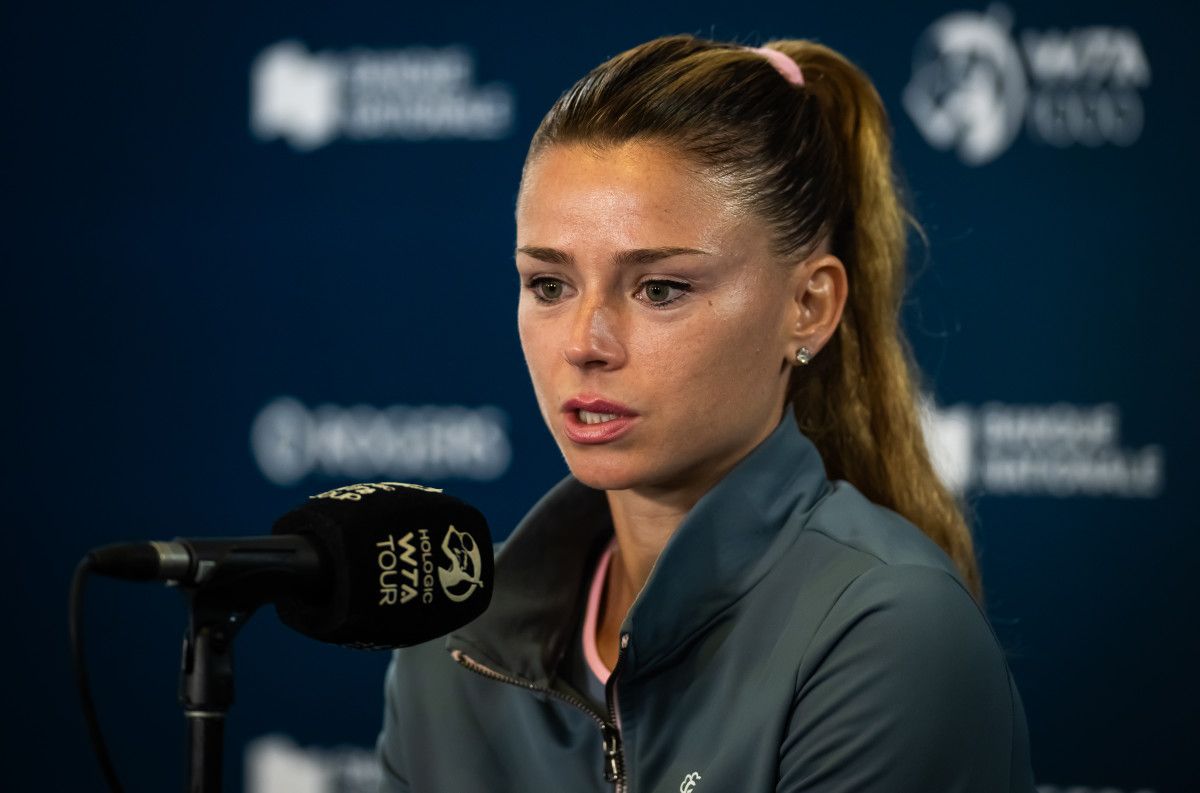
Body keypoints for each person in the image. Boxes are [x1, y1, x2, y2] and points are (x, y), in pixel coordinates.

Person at [375, 33, 1035, 792]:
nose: (586, 343)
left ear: (808, 306)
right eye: (549, 285)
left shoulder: (893, 632)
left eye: (659, 288)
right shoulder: (448, 647)